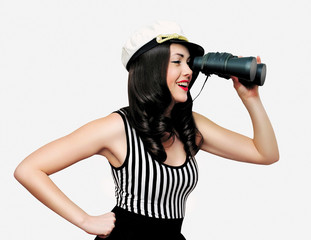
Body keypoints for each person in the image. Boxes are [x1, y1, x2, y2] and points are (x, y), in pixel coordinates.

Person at [14, 21, 279, 240]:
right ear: (152, 68)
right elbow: (29, 169)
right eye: (177, 62)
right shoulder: (116, 127)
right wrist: (85, 220)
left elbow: (264, 154)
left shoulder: (190, 125)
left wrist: (250, 99)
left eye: (189, 63)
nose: (188, 71)